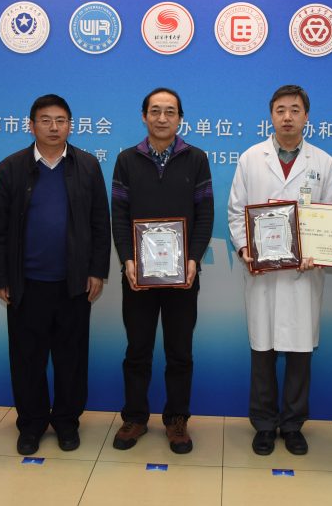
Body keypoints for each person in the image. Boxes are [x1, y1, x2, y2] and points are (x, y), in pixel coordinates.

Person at [0, 94, 111, 456]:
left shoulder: (87, 166)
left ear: (71, 125)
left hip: (73, 283)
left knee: (72, 358)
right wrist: (1, 278)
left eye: (60, 120)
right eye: (45, 120)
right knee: (28, 360)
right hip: (26, 284)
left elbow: (100, 224)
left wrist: (97, 271)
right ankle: (32, 424)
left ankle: (67, 422)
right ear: (31, 125)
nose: (54, 127)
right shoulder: (10, 168)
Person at [227, 85, 332, 456]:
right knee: (262, 350)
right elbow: (236, 211)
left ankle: (293, 425)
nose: (288, 117)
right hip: (262, 273)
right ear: (271, 116)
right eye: (280, 110)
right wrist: (245, 249)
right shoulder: (251, 158)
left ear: (306, 116)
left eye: (295, 110)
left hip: (303, 275)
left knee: (299, 352)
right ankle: (264, 425)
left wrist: (320, 251)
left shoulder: (323, 162)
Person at [110, 88, 214, 454]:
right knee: (137, 350)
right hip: (137, 275)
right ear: (144, 116)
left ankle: (176, 419)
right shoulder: (126, 160)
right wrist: (127, 259)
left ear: (180, 118)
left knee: (179, 352)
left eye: (170, 111)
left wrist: (193, 259)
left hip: (182, 275)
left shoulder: (196, 159)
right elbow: (119, 215)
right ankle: (135, 417)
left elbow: (205, 215)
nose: (162, 118)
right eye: (155, 111)